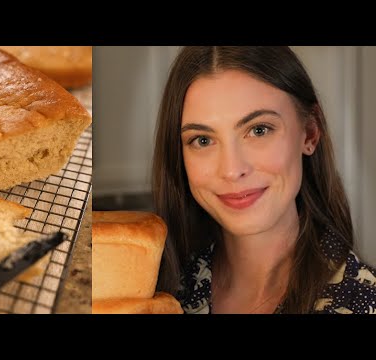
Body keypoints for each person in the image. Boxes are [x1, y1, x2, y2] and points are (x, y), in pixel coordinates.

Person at [152, 46, 376, 314]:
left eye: (259, 130)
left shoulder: (364, 301)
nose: (232, 170)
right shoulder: (159, 292)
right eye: (203, 140)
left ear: (309, 133)